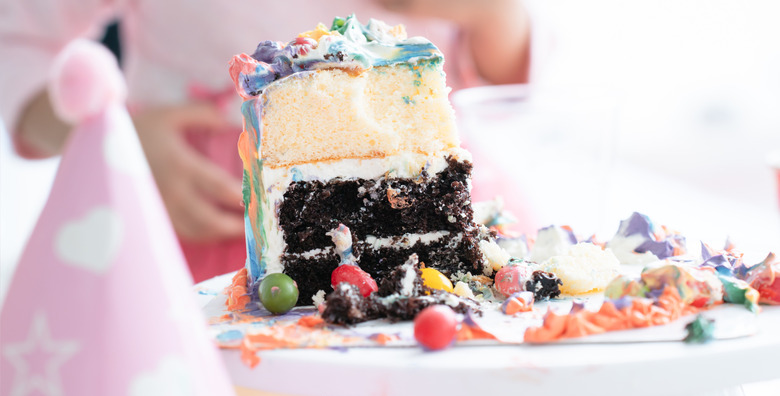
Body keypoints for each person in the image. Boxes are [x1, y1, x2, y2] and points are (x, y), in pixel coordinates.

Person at [1, 0, 532, 282]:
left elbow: (513, 73)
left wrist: (491, 11)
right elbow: (15, 46)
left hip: (422, 204)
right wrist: (115, 137)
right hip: (196, 216)